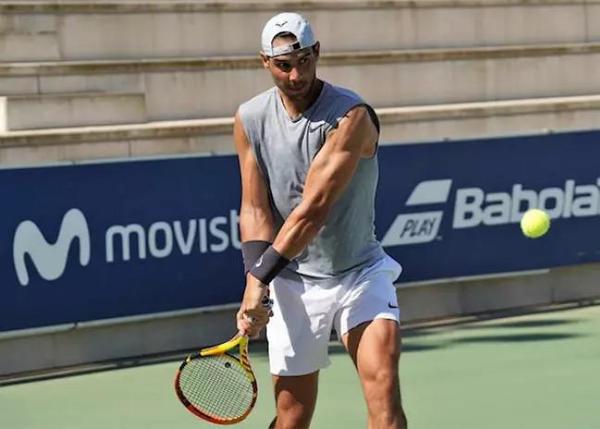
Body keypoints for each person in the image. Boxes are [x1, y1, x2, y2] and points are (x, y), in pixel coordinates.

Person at [234, 12, 408, 429]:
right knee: (292, 417)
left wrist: (260, 280)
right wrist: (254, 280)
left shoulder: (352, 117)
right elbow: (256, 209)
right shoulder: (249, 118)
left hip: (360, 274)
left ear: (317, 53)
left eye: (304, 61)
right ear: (265, 62)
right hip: (293, 282)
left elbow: (312, 211)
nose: (296, 74)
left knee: (383, 394)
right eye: (283, 65)